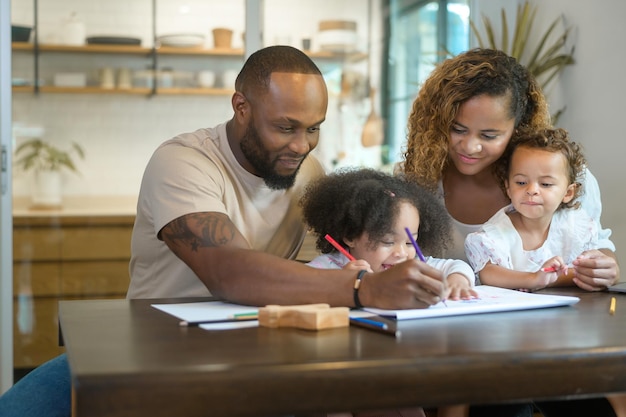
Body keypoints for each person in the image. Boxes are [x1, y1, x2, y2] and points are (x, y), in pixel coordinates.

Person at [0, 45, 448, 417]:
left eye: (314, 129)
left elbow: (323, 265)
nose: (301, 144)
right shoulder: (182, 162)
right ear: (241, 107)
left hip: (263, 347)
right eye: (285, 127)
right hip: (155, 349)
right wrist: (365, 287)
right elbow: (228, 271)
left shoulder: (310, 172)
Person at [400, 47, 620, 416]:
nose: (470, 146)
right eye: (458, 129)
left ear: (518, 130)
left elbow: (597, 247)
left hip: (553, 340)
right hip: (455, 350)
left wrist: (605, 265)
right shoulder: (419, 183)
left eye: (489, 134)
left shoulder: (563, 182)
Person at [465, 127, 626, 415]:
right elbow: (489, 274)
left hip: (568, 338)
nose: (532, 190)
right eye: (521, 181)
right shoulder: (494, 234)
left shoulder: (576, 226)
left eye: (546, 184)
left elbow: (588, 269)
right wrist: (533, 279)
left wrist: (585, 271)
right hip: (508, 344)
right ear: (507, 186)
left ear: (568, 192)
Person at [301, 167, 476, 417]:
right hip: (344, 367)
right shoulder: (331, 266)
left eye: (409, 241)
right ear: (350, 236)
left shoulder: (415, 265)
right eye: (386, 242)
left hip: (402, 362)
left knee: (456, 374)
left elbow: (455, 265)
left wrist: (458, 279)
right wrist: (340, 283)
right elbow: (305, 288)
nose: (401, 253)